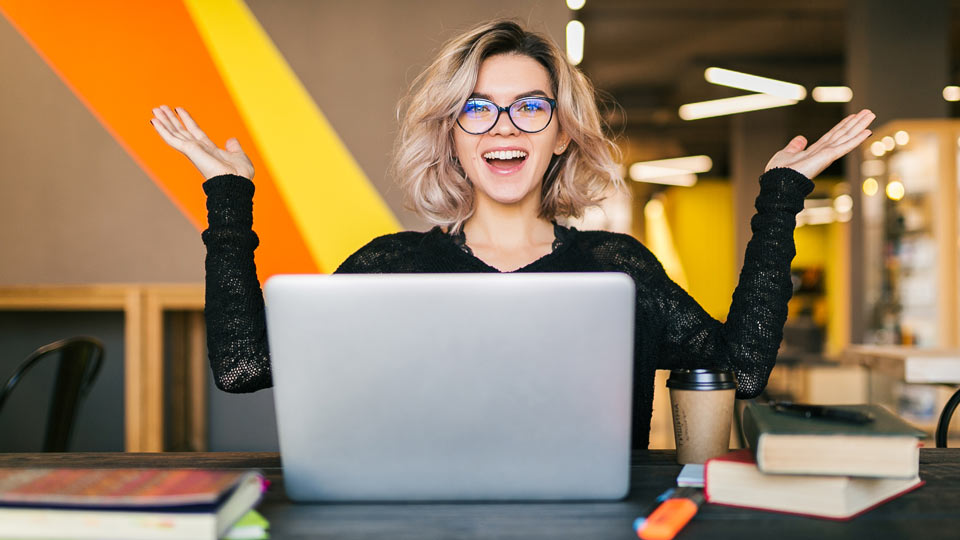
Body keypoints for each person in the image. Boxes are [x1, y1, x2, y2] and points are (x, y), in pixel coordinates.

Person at [149, 20, 874, 448]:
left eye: (530, 107)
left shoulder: (614, 268)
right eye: (478, 109)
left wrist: (780, 201)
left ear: (561, 133)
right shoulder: (390, 268)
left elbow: (740, 371)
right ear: (452, 136)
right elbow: (244, 369)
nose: (502, 127)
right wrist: (229, 198)